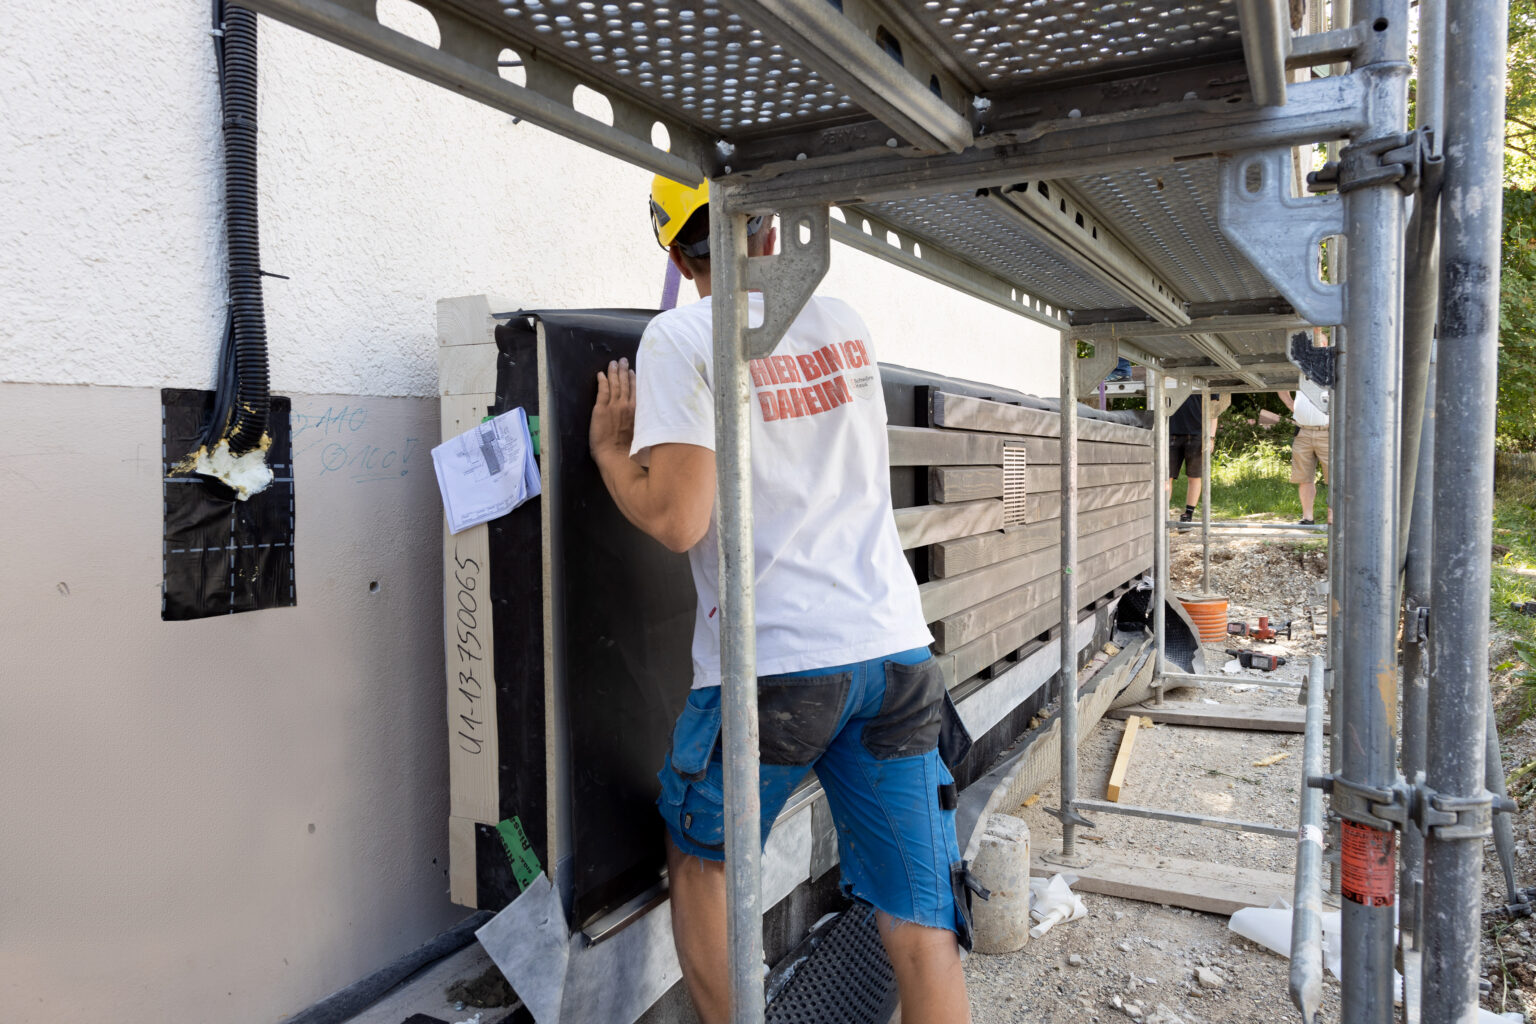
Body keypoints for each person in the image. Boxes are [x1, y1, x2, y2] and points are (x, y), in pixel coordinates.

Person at [588, 175, 973, 1024]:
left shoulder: (683, 335)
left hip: (774, 667)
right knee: (921, 916)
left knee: (705, 867)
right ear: (770, 233)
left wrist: (616, 453)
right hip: (894, 651)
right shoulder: (843, 323)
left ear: (676, 249)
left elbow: (678, 516)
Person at [1165, 391, 1226, 522]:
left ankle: (1188, 514)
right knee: (1165, 477)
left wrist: (1211, 436)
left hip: (1198, 433)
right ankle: (1161, 513)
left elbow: (1213, 410)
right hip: (1171, 431)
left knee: (1194, 476)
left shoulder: (1206, 376)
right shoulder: (1173, 375)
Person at [1278, 384, 1330, 525]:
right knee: (1304, 477)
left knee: (1335, 478)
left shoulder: (1331, 367)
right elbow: (1281, 385)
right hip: (1302, 431)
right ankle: (1307, 518)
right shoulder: (1301, 367)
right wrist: (1292, 405)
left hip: (1328, 431)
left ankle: (1334, 519)